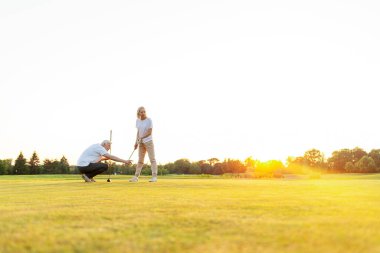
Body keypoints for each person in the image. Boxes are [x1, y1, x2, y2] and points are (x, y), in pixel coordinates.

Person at [129, 106, 158, 182]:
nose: (143, 113)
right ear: (138, 113)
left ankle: (154, 177)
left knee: (152, 159)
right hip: (141, 143)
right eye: (141, 112)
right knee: (140, 160)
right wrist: (136, 142)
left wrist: (142, 137)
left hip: (148, 142)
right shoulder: (137, 121)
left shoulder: (149, 120)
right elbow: (138, 132)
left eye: (144, 111)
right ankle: (136, 177)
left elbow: (149, 132)